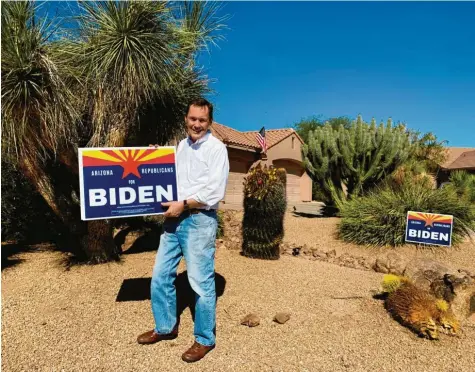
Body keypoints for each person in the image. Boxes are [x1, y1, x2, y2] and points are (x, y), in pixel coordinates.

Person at [137, 98, 229, 363]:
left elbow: (214, 192)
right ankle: (165, 328)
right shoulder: (181, 147)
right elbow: (167, 175)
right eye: (192, 119)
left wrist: (185, 204)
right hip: (174, 221)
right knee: (160, 275)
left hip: (199, 220)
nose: (196, 124)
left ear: (209, 122)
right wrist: (153, 158)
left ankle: (204, 339)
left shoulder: (217, 149)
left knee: (201, 283)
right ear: (186, 119)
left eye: (202, 120)